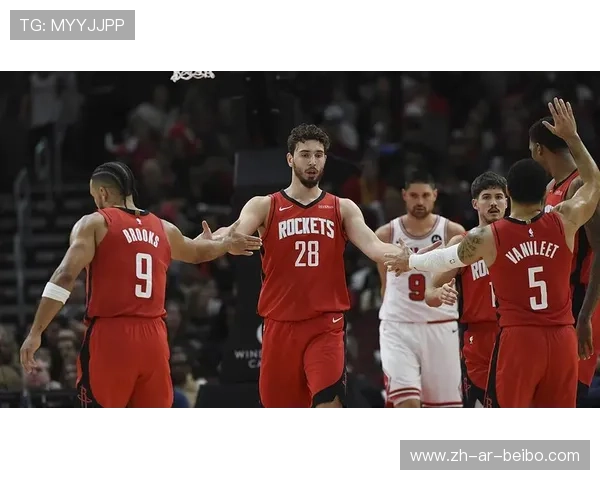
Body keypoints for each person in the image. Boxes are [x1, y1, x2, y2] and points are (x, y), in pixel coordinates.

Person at [384, 98, 600, 407]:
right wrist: (573, 138)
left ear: (509, 194)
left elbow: (445, 258)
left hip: (519, 339)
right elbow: (593, 181)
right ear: (545, 193)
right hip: (561, 336)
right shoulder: (564, 220)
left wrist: (411, 260)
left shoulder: (490, 235)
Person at [207, 124, 421, 408]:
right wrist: (221, 241)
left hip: (325, 326)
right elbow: (234, 230)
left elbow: (373, 245)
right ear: (290, 159)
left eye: (318, 155)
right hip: (280, 326)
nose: (312, 161)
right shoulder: (265, 205)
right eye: (305, 154)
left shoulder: (342, 207)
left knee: (329, 406)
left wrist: (406, 256)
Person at [19, 161, 262, 408]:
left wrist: (36, 332)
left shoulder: (95, 223)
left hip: (112, 335)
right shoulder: (164, 228)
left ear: (102, 193)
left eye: (94, 196)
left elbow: (64, 276)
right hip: (154, 338)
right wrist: (224, 244)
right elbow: (198, 252)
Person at [374, 172, 466, 408]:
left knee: (445, 409)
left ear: (435, 195)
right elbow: (385, 285)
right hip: (398, 326)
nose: (420, 201)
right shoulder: (385, 234)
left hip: (440, 326)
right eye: (414, 195)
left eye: (425, 195)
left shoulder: (452, 231)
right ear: (404, 196)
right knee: (407, 404)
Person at [529, 115, 600, 406]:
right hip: (556, 303)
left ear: (538, 149)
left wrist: (585, 315)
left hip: (581, 300)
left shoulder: (579, 185)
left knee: (571, 397)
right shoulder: (549, 189)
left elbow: (599, 251)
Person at [423, 172, 508, 407]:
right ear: (475, 204)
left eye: (499, 197)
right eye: (486, 197)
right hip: (479, 337)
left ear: (507, 201)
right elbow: (430, 293)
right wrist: (439, 293)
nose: (493, 203)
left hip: (516, 333)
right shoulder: (462, 243)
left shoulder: (520, 237)